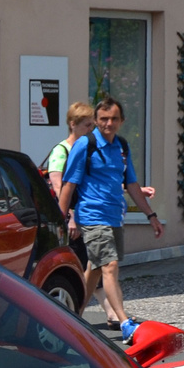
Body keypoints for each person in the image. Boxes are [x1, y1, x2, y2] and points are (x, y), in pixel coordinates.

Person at [57, 97, 163, 343]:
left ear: (121, 121)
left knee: (94, 269)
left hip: (115, 217)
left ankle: (71, 318)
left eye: (114, 119)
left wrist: (151, 215)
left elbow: (132, 184)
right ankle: (125, 322)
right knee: (110, 266)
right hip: (92, 216)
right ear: (95, 121)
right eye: (104, 119)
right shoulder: (85, 145)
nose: (109, 123)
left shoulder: (122, 147)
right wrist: (61, 219)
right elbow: (69, 184)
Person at [45, 101, 119, 328]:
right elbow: (61, 187)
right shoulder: (61, 151)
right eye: (87, 125)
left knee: (94, 264)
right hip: (74, 219)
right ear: (72, 124)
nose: (91, 129)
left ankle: (107, 313)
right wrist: (70, 217)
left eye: (91, 124)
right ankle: (109, 315)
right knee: (92, 265)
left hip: (87, 216)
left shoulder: (89, 148)